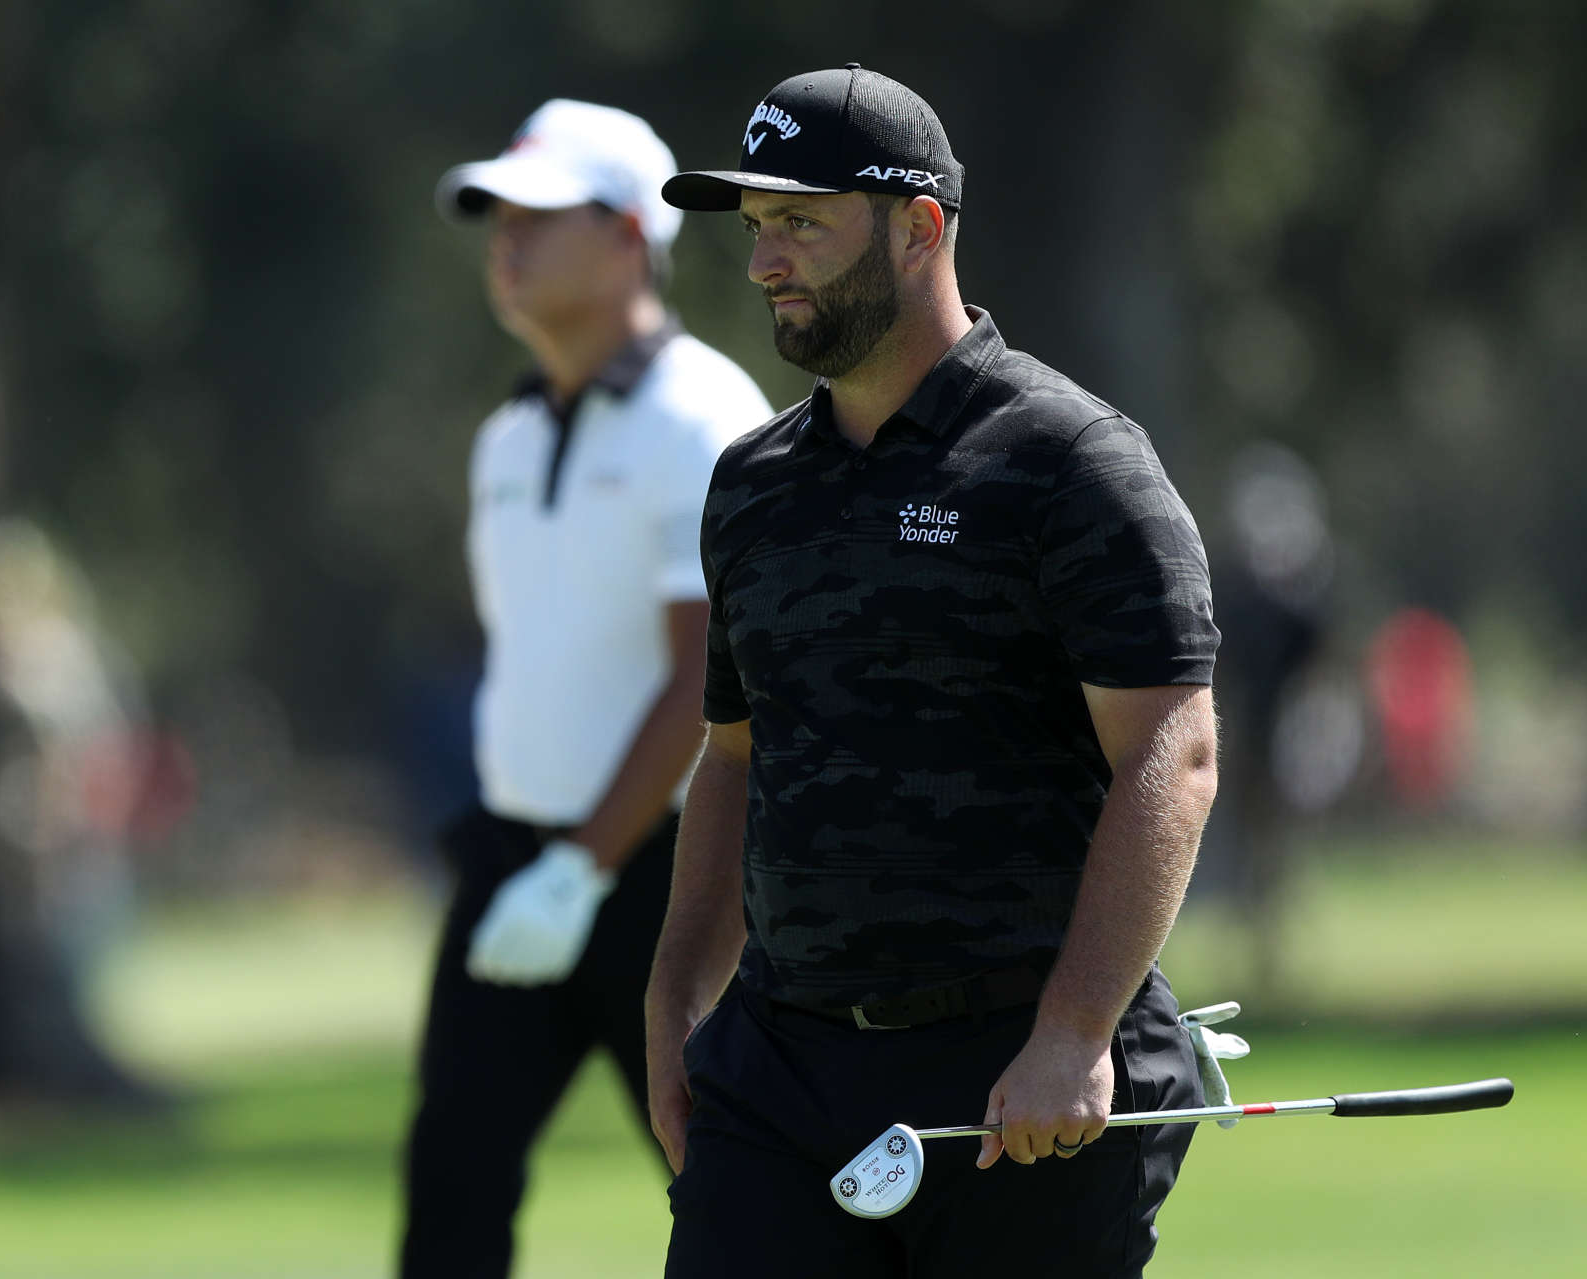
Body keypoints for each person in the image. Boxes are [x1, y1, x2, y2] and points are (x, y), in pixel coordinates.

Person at [643, 65, 1221, 1278]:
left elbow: (1175, 754)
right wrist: (673, 1006)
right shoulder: (752, 486)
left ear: (920, 227)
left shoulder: (1073, 462)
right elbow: (737, 754)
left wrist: (1075, 1030)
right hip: (782, 1074)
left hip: (1017, 1079)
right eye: (755, 229)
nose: (764, 263)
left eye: (800, 221)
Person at [400, 99, 771, 1279]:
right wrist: (542, 861)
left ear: (626, 234)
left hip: (670, 875)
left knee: (729, 1181)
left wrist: (583, 865)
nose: (506, 241)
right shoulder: (506, 435)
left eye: (540, 216)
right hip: (515, 862)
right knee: (450, 1188)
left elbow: (705, 681)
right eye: (497, 216)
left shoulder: (699, 417)